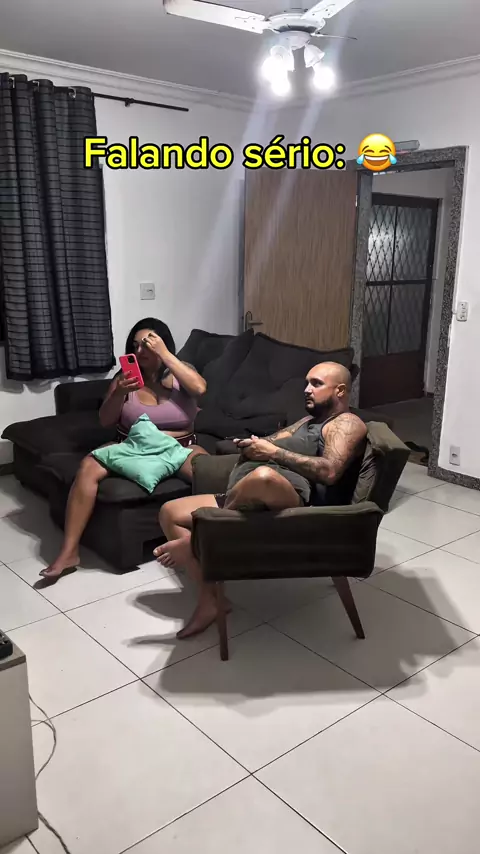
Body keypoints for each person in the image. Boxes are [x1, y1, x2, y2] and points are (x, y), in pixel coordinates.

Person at [153, 361, 367, 638]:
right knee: (169, 512)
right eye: (306, 382)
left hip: (290, 503)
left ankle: (200, 539)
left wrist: (272, 453)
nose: (306, 389)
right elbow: (272, 440)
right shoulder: (308, 421)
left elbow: (330, 471)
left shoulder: (346, 423)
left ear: (340, 390)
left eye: (316, 384)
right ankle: (210, 601)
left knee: (264, 478)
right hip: (243, 495)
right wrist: (252, 445)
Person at [39, 318, 208, 584]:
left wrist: (165, 355)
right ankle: (69, 552)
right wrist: (118, 393)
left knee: (208, 472)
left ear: (163, 344)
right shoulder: (125, 378)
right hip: (132, 446)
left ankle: (212, 541)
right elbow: (105, 420)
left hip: (179, 446)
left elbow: (200, 389)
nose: (140, 351)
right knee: (88, 466)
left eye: (148, 345)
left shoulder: (180, 371)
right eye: (136, 346)